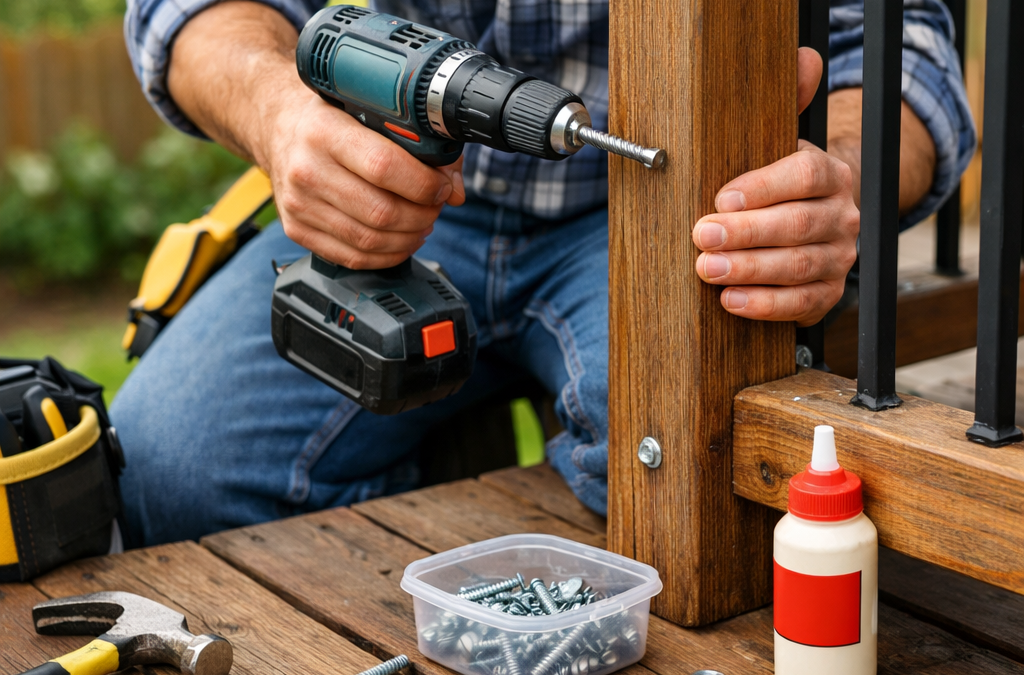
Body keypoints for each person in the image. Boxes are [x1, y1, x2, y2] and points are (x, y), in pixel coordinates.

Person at [115, 0, 975, 545]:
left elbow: (909, 58)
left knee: (692, 482)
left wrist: (837, 179)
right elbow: (183, 14)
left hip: (668, 215)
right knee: (166, 466)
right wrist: (278, 115)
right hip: (403, 196)